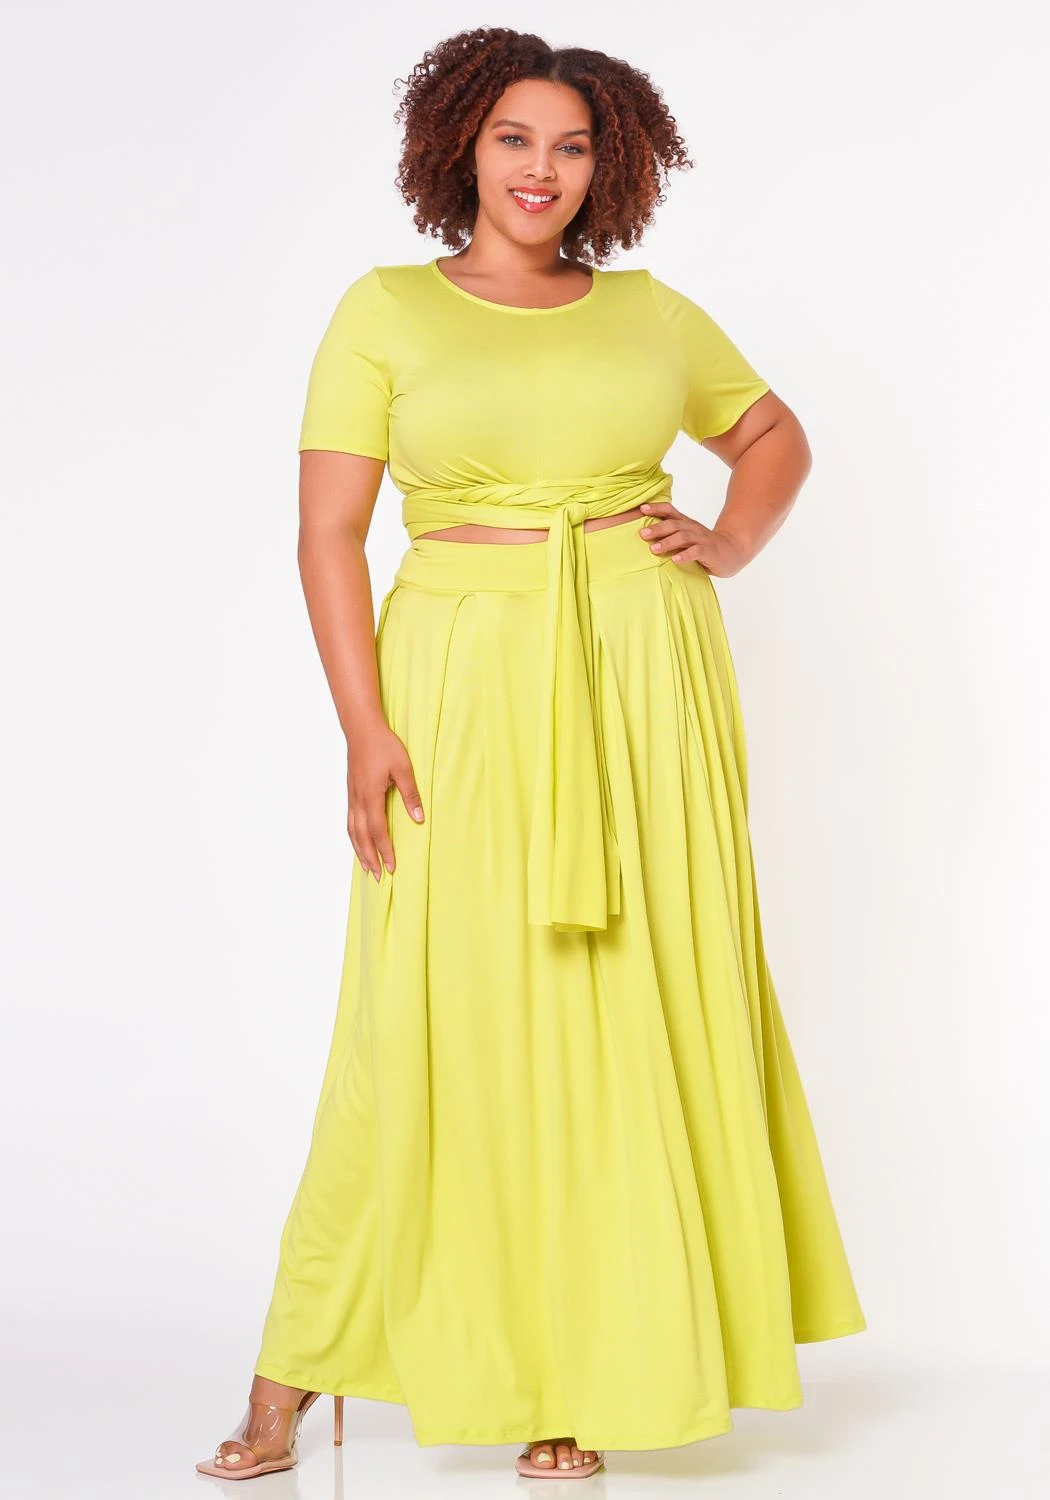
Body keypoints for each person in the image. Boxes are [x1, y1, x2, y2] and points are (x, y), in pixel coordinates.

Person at [196, 25, 867, 1484]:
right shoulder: (383, 309)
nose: (540, 170)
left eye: (571, 146)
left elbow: (772, 435)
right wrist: (363, 727)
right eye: (514, 138)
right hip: (458, 682)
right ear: (461, 144)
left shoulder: (651, 312)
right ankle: (297, 1365)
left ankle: (576, 1375)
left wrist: (732, 538)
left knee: (630, 1000)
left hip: (647, 674)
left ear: (607, 166)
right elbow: (328, 534)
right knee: (427, 1016)